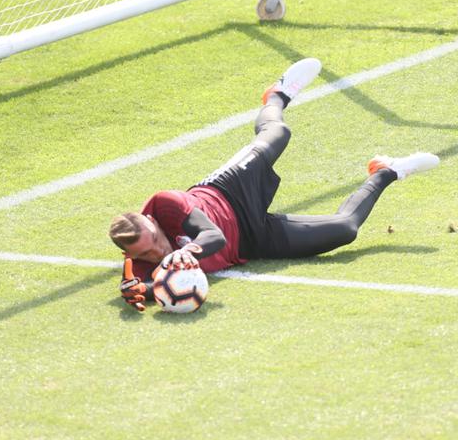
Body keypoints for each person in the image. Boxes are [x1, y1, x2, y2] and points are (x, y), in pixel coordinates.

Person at [109, 58, 439, 311]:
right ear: (129, 254)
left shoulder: (165, 203)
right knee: (345, 230)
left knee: (279, 133)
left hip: (228, 191)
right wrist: (144, 292)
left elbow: (213, 236)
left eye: (154, 241)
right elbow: (144, 287)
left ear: (152, 222)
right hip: (250, 241)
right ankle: (386, 171)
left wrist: (183, 253)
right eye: (146, 253)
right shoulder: (138, 265)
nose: (157, 252)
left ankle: (277, 96)